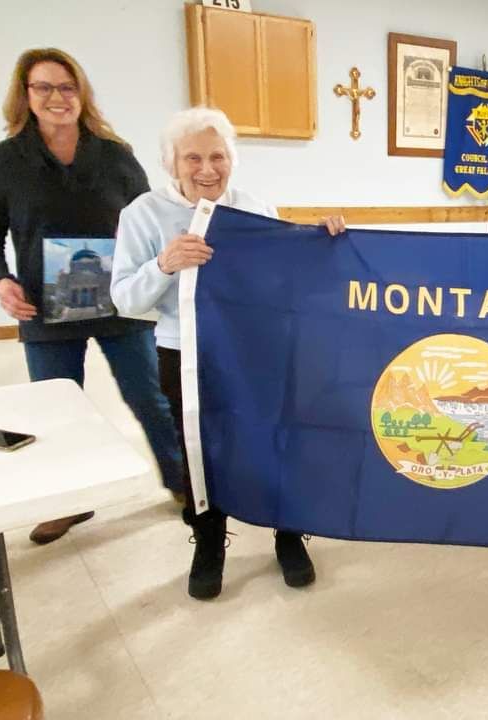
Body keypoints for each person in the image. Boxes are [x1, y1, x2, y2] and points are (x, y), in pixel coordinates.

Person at [110, 107, 346, 600]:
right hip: (184, 353)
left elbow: (288, 280)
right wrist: (163, 264)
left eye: (217, 156)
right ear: (171, 163)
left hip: (257, 349)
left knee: (275, 438)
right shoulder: (142, 215)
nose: (206, 169)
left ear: (231, 160)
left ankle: (288, 533)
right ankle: (210, 542)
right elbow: (126, 299)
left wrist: (322, 245)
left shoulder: (253, 208)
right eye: (192, 157)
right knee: (199, 449)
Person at [0, 48, 183, 544]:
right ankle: (69, 502)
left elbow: (148, 219)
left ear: (81, 93)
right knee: (59, 412)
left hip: (121, 304)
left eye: (66, 87)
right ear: (25, 95)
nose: (56, 97)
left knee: (150, 396)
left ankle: (181, 483)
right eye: (43, 87)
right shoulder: (5, 161)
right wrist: (2, 280)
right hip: (44, 310)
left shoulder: (115, 155)